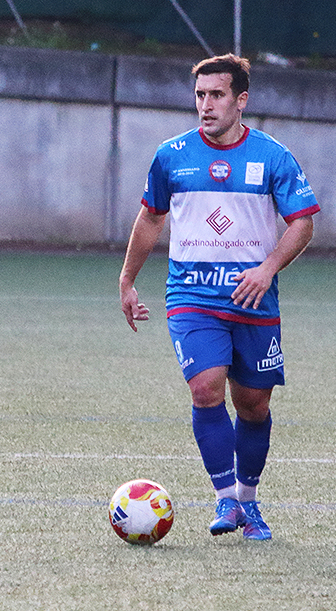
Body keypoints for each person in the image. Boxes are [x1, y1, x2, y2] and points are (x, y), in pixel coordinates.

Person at [118, 53, 319, 541]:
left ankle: (248, 501)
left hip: (253, 300)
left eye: (217, 95)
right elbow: (151, 218)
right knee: (206, 389)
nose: (206, 105)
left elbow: (303, 223)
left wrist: (267, 269)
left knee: (253, 405)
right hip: (192, 296)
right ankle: (226, 498)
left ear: (240, 100)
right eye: (199, 95)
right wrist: (127, 279)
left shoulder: (273, 156)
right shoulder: (171, 155)